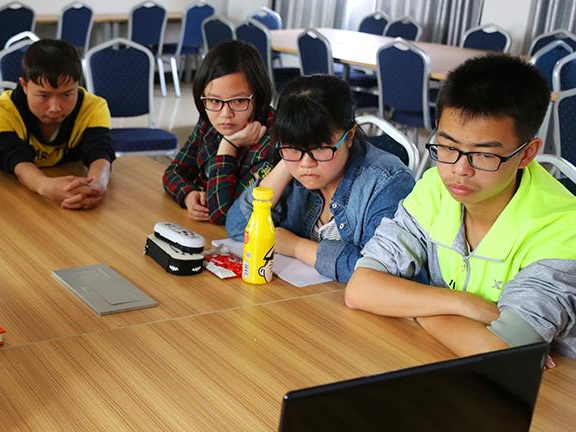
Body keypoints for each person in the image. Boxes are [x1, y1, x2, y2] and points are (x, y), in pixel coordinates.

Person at [345, 55, 576, 363]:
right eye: (448, 147)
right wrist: (464, 305)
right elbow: (361, 289)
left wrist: (415, 306)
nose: (459, 170)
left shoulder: (563, 227)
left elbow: (505, 354)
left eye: (483, 155)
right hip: (449, 363)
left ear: (527, 154)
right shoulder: (435, 187)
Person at [225, 75, 415, 283]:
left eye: (320, 148)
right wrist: (287, 161)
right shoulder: (292, 165)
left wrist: (296, 247)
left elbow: (379, 273)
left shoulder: (386, 181)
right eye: (292, 147)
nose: (306, 164)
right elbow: (238, 226)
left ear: (349, 136)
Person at [0, 39, 114, 209]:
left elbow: (100, 151)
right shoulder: (1, 112)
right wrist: (45, 186)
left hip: (72, 198)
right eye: (43, 96)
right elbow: (16, 159)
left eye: (67, 94)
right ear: (24, 86)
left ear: (78, 84)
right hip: (14, 201)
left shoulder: (94, 107)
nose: (55, 108)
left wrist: (97, 185)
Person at [162, 40, 276, 224]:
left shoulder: (272, 141)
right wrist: (188, 194)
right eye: (214, 101)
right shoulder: (208, 123)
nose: (225, 115)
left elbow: (223, 213)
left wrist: (228, 145)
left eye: (238, 101)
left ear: (259, 96)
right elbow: (174, 172)